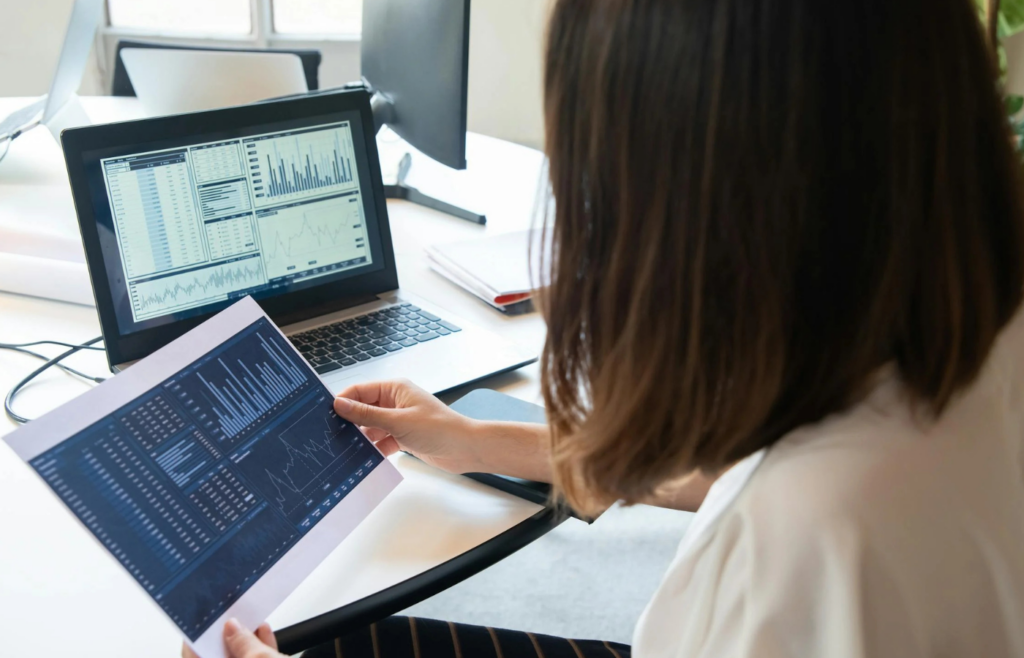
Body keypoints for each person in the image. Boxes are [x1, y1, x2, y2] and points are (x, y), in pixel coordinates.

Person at [186, 0, 1024, 655]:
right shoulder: (970, 333)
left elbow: (766, 504)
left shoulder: (802, 547)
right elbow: (729, 470)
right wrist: (472, 439)